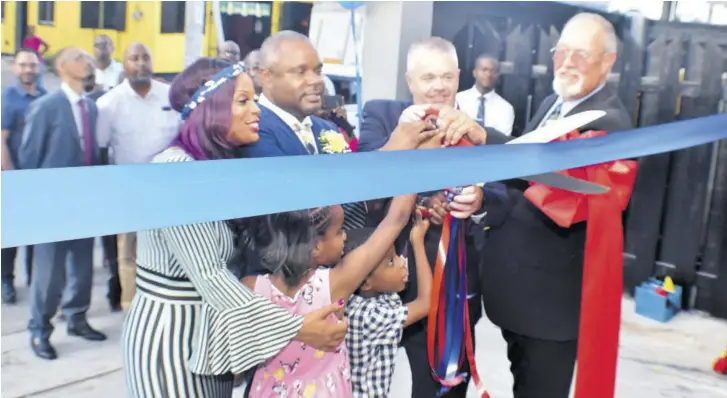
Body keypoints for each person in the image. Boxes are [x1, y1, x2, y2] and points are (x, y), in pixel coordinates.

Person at [121, 58, 348, 398]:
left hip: (207, 336)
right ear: (211, 108)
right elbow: (210, 275)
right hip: (171, 339)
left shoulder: (215, 168)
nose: (256, 109)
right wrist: (297, 327)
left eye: (254, 99)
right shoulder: (177, 170)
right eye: (243, 100)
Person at [479, 13, 633, 398]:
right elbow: (522, 179)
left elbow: (539, 169)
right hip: (521, 297)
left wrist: (480, 135)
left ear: (607, 61)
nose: (566, 62)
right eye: (561, 51)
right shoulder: (554, 101)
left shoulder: (608, 125)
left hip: (551, 310)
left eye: (580, 54)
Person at [357, 37, 511, 398]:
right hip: (376, 283)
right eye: (428, 77)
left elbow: (505, 199)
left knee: (443, 390)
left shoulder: (476, 128)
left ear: (458, 76)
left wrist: (480, 199)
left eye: (445, 76)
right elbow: (363, 184)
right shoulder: (382, 114)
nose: (438, 86)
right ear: (410, 81)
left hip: (452, 287)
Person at [238, 192, 418, 397]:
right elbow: (396, 219)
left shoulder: (250, 287)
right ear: (315, 246)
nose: (345, 236)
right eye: (339, 231)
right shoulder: (334, 286)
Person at [19, 47, 106, 360]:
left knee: (82, 267)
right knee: (49, 273)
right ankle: (40, 330)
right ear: (66, 66)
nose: (90, 62)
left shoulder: (91, 107)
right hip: (52, 205)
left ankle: (77, 318)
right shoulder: (47, 106)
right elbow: (29, 158)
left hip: (84, 204)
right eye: (83, 58)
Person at [237, 31, 368, 231]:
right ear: (267, 77)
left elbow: (357, 192)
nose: (316, 81)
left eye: (318, 71)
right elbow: (301, 209)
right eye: (300, 72)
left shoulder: (327, 128)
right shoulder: (253, 130)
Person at [96, 43, 181, 311]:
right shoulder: (108, 103)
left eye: (146, 57)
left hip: (167, 189)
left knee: (168, 249)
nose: (141, 63)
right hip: (128, 190)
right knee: (129, 253)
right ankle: (131, 307)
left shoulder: (171, 97)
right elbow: (101, 149)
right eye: (134, 58)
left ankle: (166, 303)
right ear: (124, 64)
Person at [345, 211, 432, 398]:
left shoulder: (361, 297)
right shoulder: (370, 316)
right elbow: (426, 302)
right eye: (391, 262)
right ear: (365, 282)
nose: (402, 264)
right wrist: (417, 242)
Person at [1, 47, 46, 303]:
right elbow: (2, 140)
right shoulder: (9, 97)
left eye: (32, 65)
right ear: (15, 68)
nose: (28, 69)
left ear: (38, 67)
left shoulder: (43, 95)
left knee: (36, 233)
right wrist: (11, 176)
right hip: (15, 176)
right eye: (23, 65)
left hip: (39, 176)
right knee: (12, 233)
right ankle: (6, 280)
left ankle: (34, 279)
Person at [455, 54, 515, 135]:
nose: (489, 74)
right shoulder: (457, 99)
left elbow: (501, 142)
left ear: (498, 75)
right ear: (474, 72)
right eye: (484, 69)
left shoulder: (506, 109)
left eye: (493, 71)